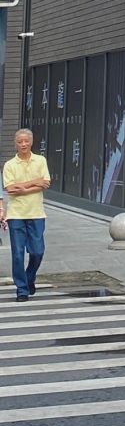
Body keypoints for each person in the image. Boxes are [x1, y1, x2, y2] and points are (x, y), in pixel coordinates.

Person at [2, 128, 50, 301]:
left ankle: (29, 278)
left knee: (37, 252)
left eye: (26, 141)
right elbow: (10, 190)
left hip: (36, 213)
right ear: (16, 143)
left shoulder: (40, 161)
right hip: (16, 215)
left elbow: (44, 184)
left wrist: (23, 186)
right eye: (20, 141)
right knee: (17, 254)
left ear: (31, 142)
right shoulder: (9, 165)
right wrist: (33, 183)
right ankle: (22, 290)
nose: (23, 144)